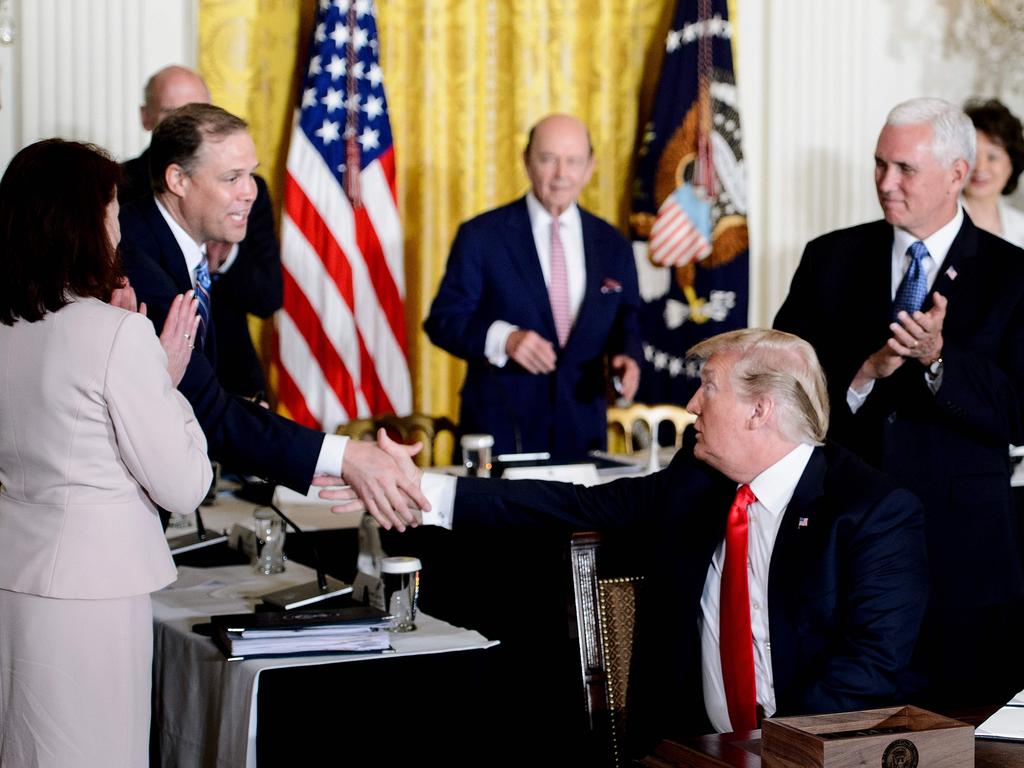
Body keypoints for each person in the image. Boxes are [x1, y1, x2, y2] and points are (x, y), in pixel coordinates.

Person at [325, 328, 929, 756]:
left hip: (813, 755)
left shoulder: (873, 512)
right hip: (690, 750)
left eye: (709, 388)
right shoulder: (699, 483)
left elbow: (868, 669)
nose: (691, 404)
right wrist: (418, 488)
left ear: (759, 410)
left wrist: (766, 754)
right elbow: (570, 506)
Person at [774, 97, 1024, 708]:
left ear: (957, 173)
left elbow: (1021, 411)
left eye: (905, 169)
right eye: (879, 165)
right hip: (843, 551)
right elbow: (783, 389)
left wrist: (941, 362)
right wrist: (863, 374)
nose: (886, 184)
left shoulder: (1013, 275)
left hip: (961, 562)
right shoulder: (829, 258)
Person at [0, 139, 212, 766]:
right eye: (113, 208)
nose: (120, 224)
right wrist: (165, 382)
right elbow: (185, 485)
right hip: (92, 592)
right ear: (79, 220)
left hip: (15, 576)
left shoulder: (8, 327)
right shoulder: (117, 334)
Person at [118, 103, 426, 529]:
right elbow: (205, 408)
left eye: (251, 174)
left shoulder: (171, 241)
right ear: (177, 180)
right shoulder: (137, 257)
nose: (251, 191)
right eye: (231, 178)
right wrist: (347, 455)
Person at [424, 114, 642, 460]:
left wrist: (627, 356)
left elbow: (627, 318)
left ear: (590, 167)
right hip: (501, 437)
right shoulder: (481, 236)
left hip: (582, 435)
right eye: (548, 159)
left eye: (573, 161)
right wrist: (505, 339)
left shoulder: (612, 244)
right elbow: (443, 321)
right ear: (527, 161)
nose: (561, 174)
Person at [122, 64, 282, 399]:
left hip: (234, 380)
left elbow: (268, 297)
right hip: (165, 389)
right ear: (146, 116)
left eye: (200, 110)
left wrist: (225, 260)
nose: (247, 190)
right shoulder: (119, 195)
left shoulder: (247, 195)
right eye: (174, 112)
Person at [962, 98, 1024, 247]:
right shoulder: (941, 220)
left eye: (992, 157)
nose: (980, 167)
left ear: (1012, 164)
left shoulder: (1020, 227)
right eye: (972, 155)